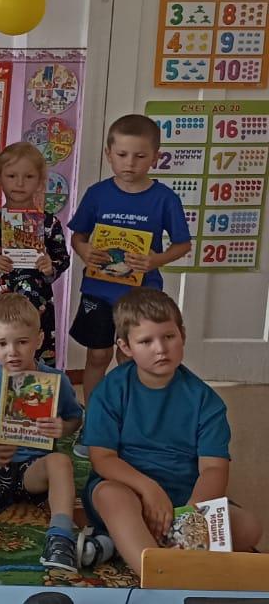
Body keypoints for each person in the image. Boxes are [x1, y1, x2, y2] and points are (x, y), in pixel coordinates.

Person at [83, 287, 262, 576]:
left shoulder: (206, 401)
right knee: (111, 497)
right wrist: (149, 489)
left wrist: (192, 513)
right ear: (126, 347)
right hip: (129, 489)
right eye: (146, 341)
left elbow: (214, 469)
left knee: (249, 527)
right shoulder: (109, 391)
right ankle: (159, 572)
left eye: (169, 337)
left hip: (185, 498)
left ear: (183, 336)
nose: (161, 349)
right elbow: (102, 458)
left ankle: (126, 544)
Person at [0, 294, 110, 572]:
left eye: (22, 342)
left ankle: (60, 538)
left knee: (60, 461)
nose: (12, 352)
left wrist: (63, 427)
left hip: (34, 469)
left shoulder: (55, 381)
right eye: (2, 344)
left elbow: (74, 418)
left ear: (39, 340)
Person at [68, 114, 192, 429]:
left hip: (141, 295)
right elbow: (78, 236)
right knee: (98, 355)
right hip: (98, 290)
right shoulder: (97, 194)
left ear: (155, 157)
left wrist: (155, 260)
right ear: (108, 154)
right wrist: (84, 251)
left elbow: (183, 245)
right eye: (122, 154)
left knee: (133, 357)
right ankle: (94, 416)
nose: (130, 163)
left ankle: (131, 416)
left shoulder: (164, 198)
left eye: (140, 156)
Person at [0, 143, 70, 369]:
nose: (20, 183)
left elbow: (63, 258)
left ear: (40, 180)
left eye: (29, 176)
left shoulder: (49, 222)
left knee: (34, 358)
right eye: (12, 176)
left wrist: (49, 265)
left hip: (35, 302)